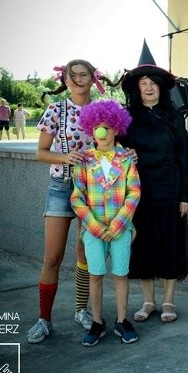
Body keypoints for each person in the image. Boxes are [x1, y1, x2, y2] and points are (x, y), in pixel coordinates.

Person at [27, 59, 113, 344]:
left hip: (95, 190)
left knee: (84, 254)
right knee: (52, 256)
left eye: (83, 74)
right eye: (72, 75)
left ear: (93, 78)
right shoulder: (56, 109)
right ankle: (44, 319)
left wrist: (128, 155)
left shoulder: (102, 110)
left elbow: (112, 146)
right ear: (65, 79)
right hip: (62, 186)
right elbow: (40, 152)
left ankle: (81, 310)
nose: (78, 79)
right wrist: (64, 157)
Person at [117, 41, 188, 324]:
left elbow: (183, 155)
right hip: (137, 193)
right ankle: (148, 301)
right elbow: (112, 151)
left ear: (161, 87)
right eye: (143, 83)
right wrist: (124, 152)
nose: (148, 87)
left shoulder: (174, 117)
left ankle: (169, 300)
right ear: (137, 88)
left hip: (170, 190)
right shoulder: (126, 119)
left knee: (170, 245)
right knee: (143, 247)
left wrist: (185, 194)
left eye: (153, 83)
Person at [69, 99, 141, 346]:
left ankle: (122, 321)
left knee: (121, 275)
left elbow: (134, 192)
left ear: (117, 129)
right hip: (93, 230)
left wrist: (119, 225)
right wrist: (96, 227)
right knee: (95, 275)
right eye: (97, 127)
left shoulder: (126, 158)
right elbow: (77, 196)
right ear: (91, 129)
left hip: (120, 230)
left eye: (107, 127)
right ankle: (97, 322)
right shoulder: (84, 160)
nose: (101, 132)